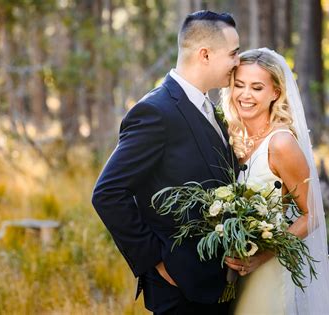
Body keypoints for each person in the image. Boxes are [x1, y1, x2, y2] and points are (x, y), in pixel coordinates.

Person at [92, 10, 240, 314]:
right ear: (205, 55)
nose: (238, 63)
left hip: (216, 283)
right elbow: (107, 194)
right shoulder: (155, 112)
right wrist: (157, 262)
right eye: (233, 54)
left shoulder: (208, 107)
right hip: (178, 288)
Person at [222, 48, 329, 314]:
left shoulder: (281, 143)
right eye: (239, 85)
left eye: (257, 87)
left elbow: (312, 214)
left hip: (268, 271)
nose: (245, 95)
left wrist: (262, 256)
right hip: (233, 270)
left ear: (275, 93)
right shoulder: (232, 136)